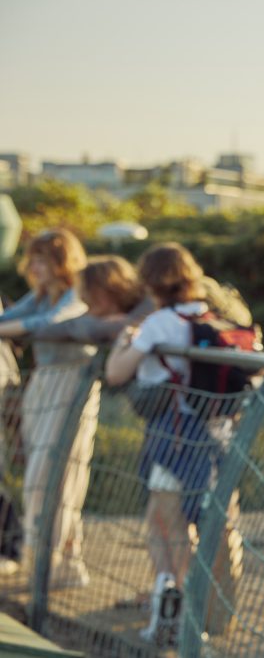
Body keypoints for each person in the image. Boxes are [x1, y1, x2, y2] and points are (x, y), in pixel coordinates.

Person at [105, 243, 220, 644]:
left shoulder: (160, 323)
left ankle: (175, 603)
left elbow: (117, 373)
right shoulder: (207, 314)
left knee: (165, 519)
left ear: (150, 280)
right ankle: (178, 599)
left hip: (172, 432)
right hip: (211, 433)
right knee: (181, 518)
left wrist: (123, 343)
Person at [0, 228, 96, 586]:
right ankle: (50, 562)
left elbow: (52, 324)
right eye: (33, 258)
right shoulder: (40, 295)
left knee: (56, 475)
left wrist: (10, 329)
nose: (35, 266)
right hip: (43, 385)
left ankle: (55, 563)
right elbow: (17, 320)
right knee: (38, 478)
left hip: (72, 385)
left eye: (44, 259)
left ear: (62, 261)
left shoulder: (76, 293)